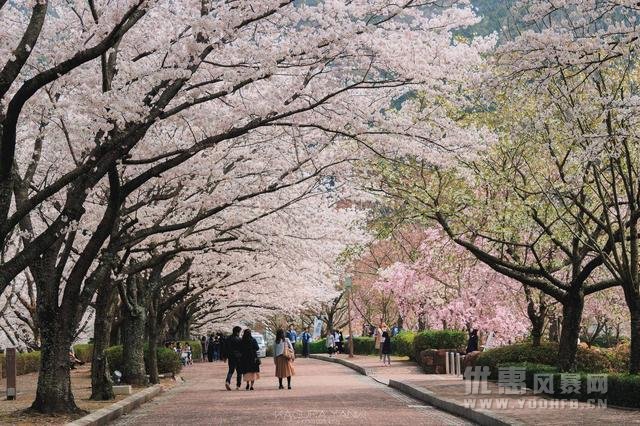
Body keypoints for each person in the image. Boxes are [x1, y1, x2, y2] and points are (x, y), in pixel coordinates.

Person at [223, 326, 243, 390]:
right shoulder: (240, 339)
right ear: (237, 332)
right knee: (239, 372)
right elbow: (242, 349)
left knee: (231, 370)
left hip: (231, 357)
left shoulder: (228, 339)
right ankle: (238, 386)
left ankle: (227, 382)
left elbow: (225, 349)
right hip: (239, 357)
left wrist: (225, 357)